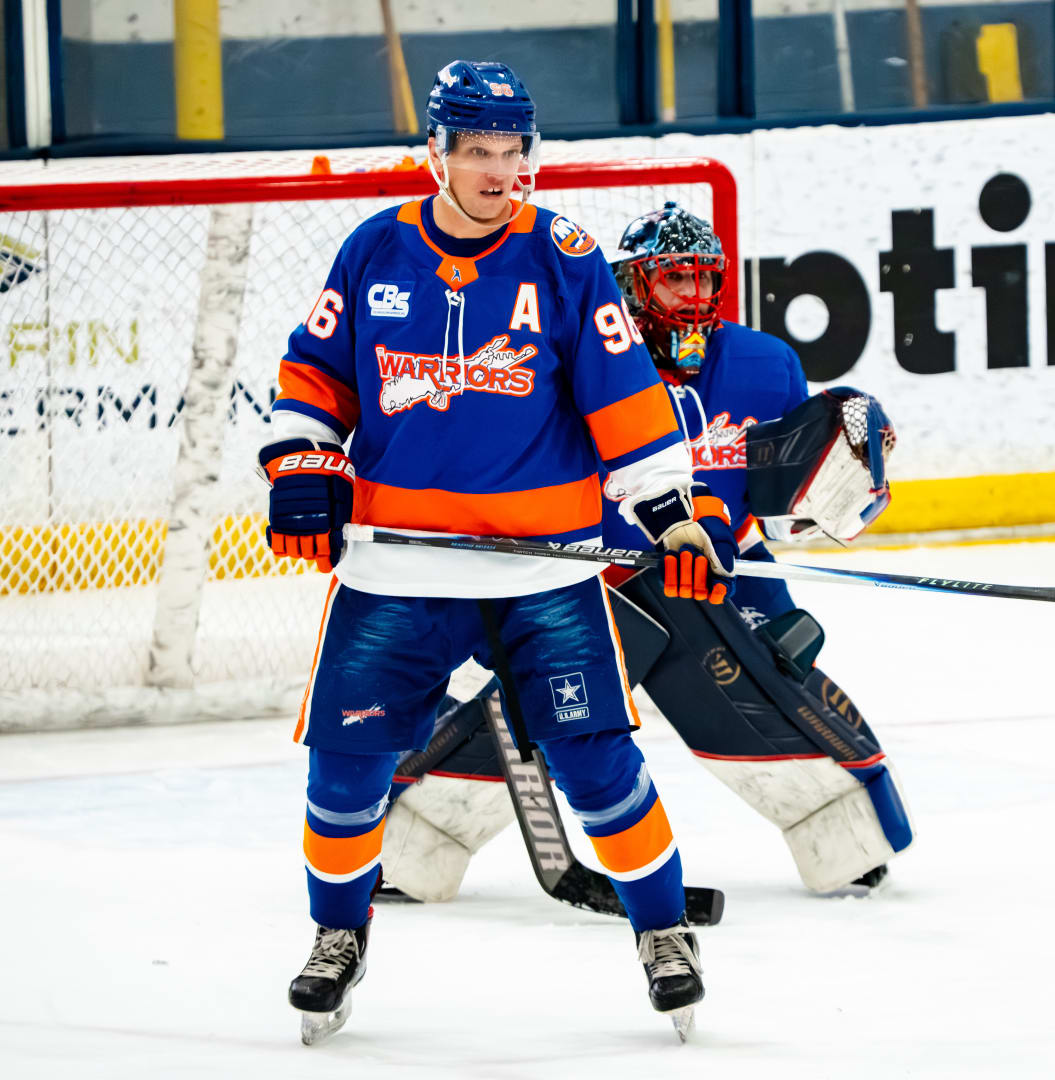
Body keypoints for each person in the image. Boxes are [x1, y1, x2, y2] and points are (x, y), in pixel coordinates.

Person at [261, 62, 737, 1045]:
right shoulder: (373, 248)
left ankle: (663, 933)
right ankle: (338, 936)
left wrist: (673, 516)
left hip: (542, 570)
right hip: (397, 571)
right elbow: (314, 378)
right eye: (477, 151)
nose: (498, 171)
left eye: (513, 151)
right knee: (345, 770)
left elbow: (626, 403)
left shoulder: (564, 257)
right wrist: (303, 463)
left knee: (597, 764)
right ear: (435, 153)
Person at [378, 202, 913, 910]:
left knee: (778, 683)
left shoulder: (764, 365)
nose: (694, 295)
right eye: (674, 279)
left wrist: (846, 462)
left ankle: (845, 838)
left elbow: (782, 501)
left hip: (714, 580)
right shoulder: (576, 366)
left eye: (704, 278)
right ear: (632, 286)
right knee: (519, 708)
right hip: (589, 582)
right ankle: (407, 847)